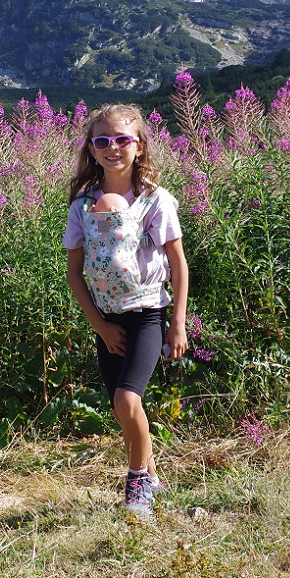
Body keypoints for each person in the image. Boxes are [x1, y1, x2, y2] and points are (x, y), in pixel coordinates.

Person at [64, 104, 189, 516]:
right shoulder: (82, 205)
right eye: (102, 140)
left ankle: (136, 487)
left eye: (122, 139)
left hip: (149, 313)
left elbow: (178, 264)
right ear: (92, 148)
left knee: (126, 400)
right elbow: (75, 273)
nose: (112, 147)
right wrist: (99, 325)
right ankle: (150, 477)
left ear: (139, 145)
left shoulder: (155, 200)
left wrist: (177, 325)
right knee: (124, 411)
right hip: (109, 321)